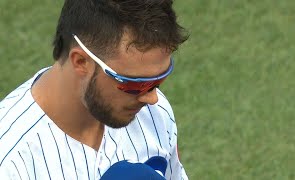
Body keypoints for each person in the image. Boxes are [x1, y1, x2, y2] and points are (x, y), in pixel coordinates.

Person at [0, 0, 189, 179]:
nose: (152, 98)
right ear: (81, 62)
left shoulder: (155, 114)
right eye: (136, 84)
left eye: (159, 79)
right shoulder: (10, 161)